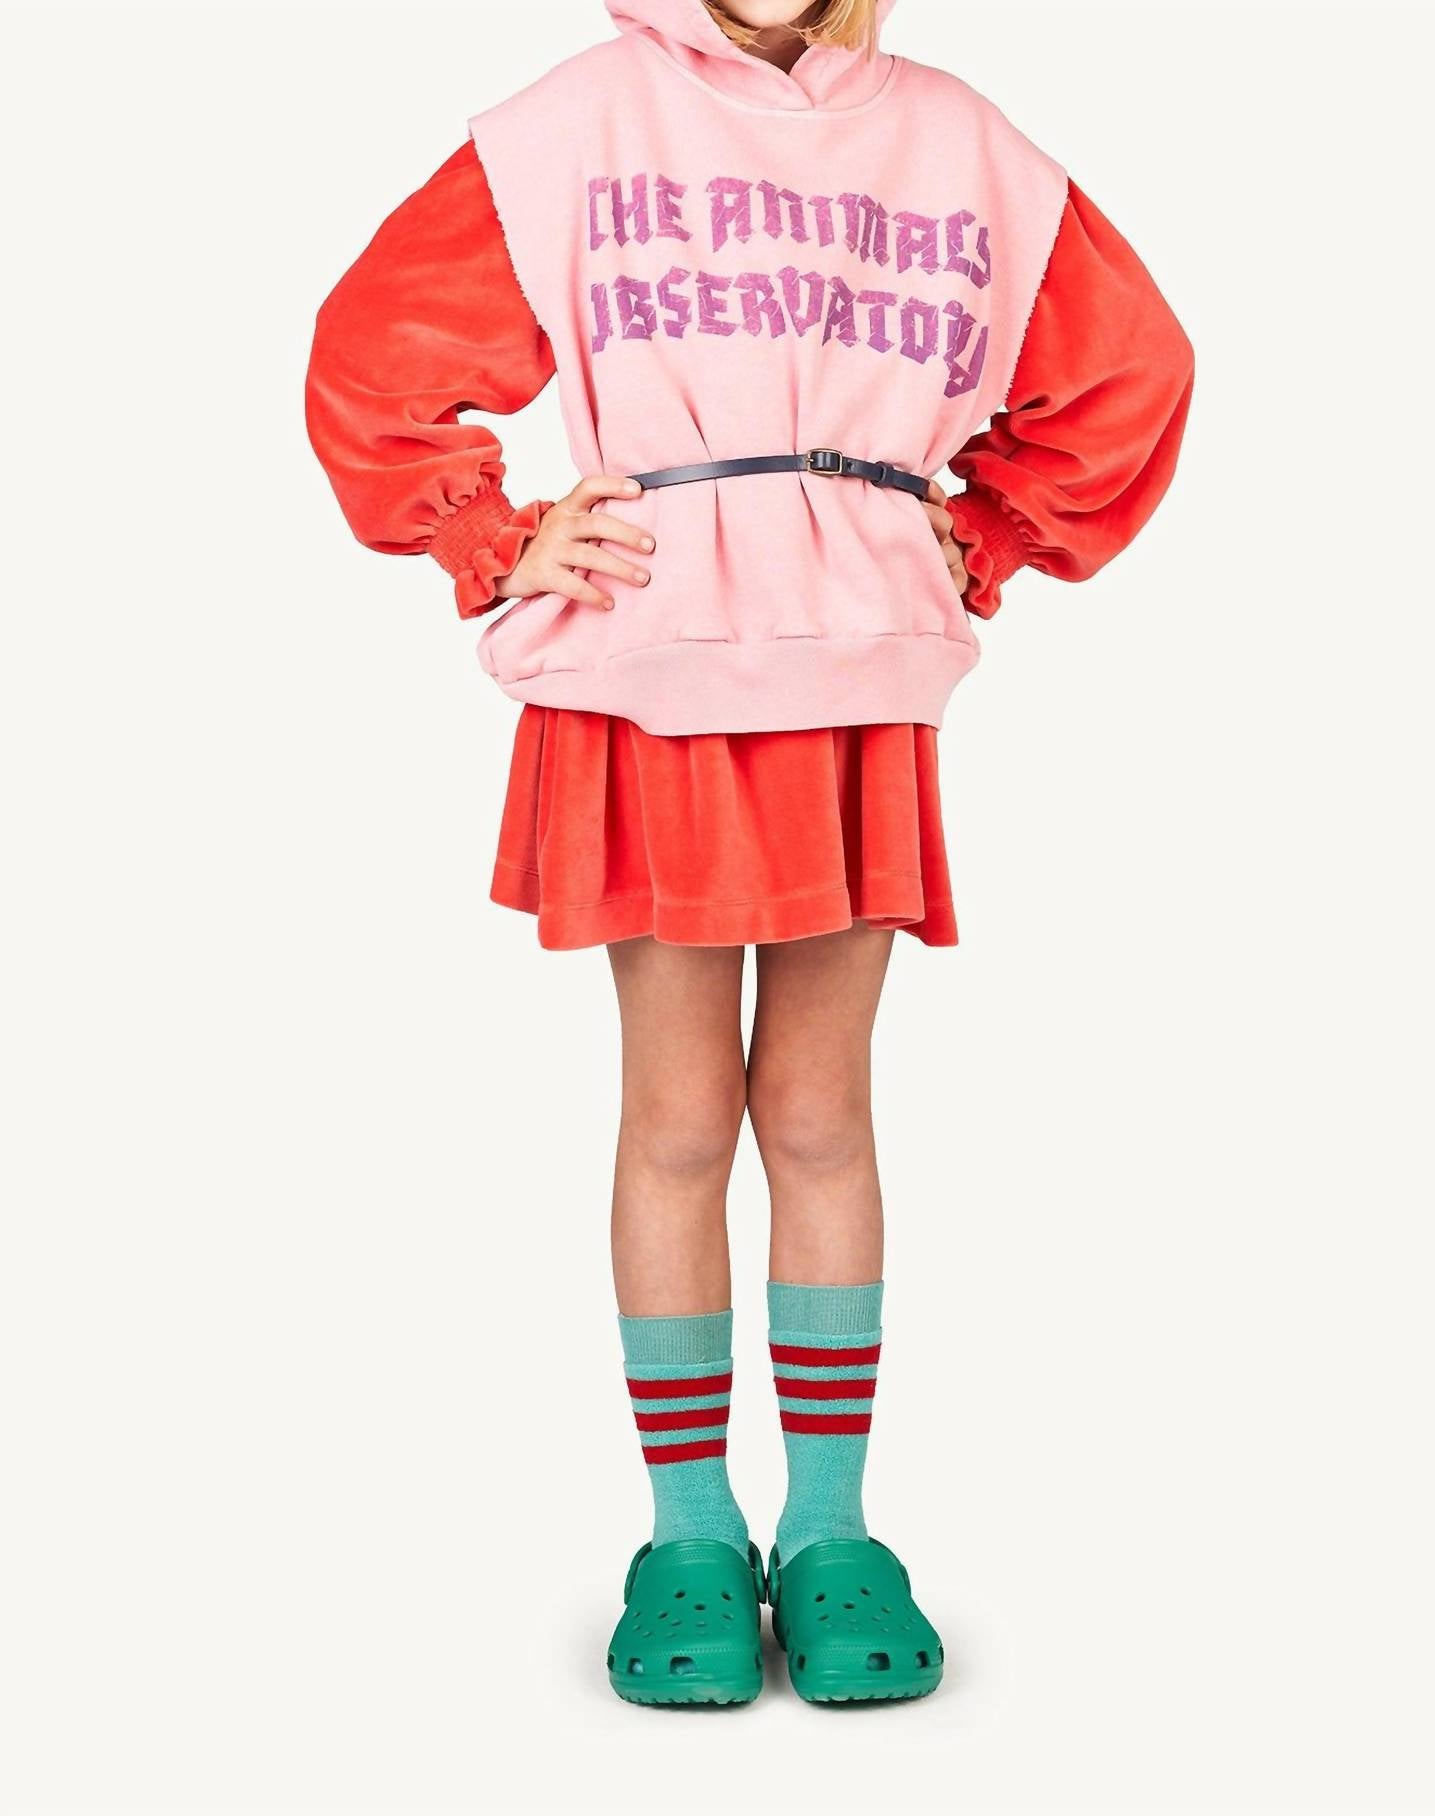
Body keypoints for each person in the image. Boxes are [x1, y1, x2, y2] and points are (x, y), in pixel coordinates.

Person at [306, 0, 1193, 1706]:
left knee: (820, 1107)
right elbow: (370, 349)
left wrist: (992, 527)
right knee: (679, 1111)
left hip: (855, 659)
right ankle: (693, 1532)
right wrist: (490, 533)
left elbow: (1134, 368)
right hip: (651, 659)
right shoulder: (585, 114)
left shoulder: (956, 137)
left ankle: (834, 1526)